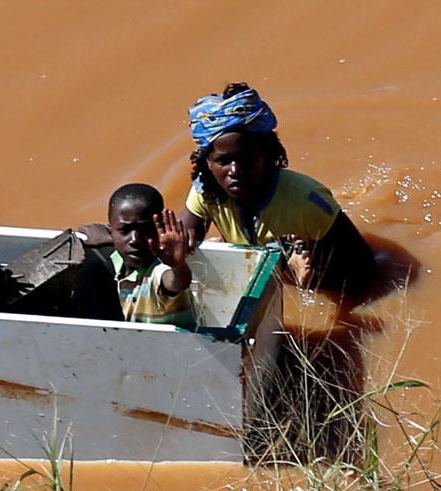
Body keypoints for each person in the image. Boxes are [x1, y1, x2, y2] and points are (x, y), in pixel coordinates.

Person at [179, 82, 375, 292]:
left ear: (267, 155)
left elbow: (365, 270)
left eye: (246, 159)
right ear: (207, 163)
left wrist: (311, 280)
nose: (235, 171)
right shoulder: (205, 192)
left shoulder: (307, 202)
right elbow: (179, 251)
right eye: (223, 161)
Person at [77, 184, 196, 327]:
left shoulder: (159, 270)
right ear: (110, 233)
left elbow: (177, 282)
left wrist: (178, 266)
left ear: (160, 230)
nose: (135, 240)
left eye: (146, 230)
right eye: (125, 230)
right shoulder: (113, 263)